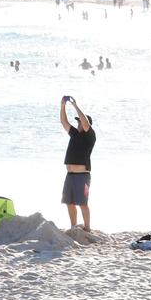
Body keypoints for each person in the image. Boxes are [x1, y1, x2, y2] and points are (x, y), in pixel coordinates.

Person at [59, 96, 95, 232]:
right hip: (70, 175)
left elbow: (86, 123)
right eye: (78, 122)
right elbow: (63, 122)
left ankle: (87, 228)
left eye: (80, 122)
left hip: (82, 176)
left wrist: (75, 106)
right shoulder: (75, 134)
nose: (79, 124)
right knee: (69, 203)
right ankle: (73, 227)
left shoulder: (90, 135)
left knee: (83, 204)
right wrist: (62, 105)